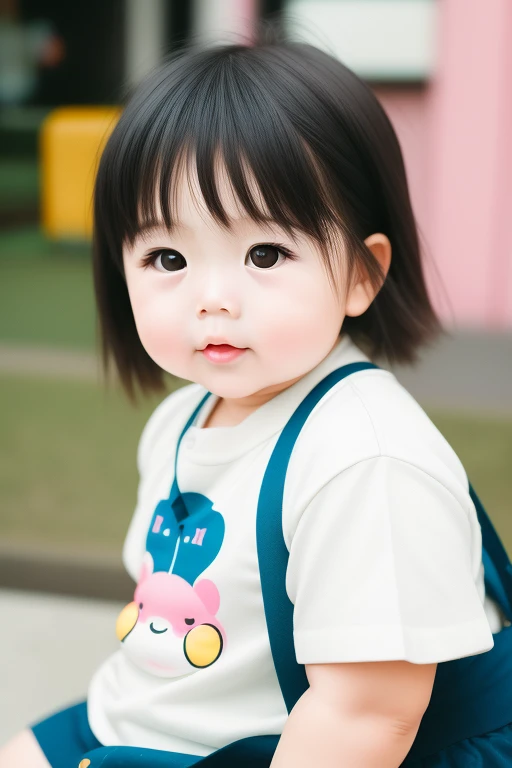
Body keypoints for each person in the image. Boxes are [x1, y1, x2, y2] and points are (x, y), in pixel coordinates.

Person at [2, 32, 512, 768]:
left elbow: (365, 717)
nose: (213, 299)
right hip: (161, 717)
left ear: (362, 275)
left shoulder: (363, 459)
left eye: (265, 254)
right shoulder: (181, 418)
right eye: (167, 258)